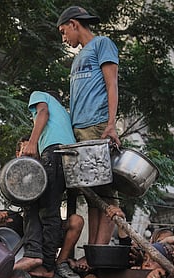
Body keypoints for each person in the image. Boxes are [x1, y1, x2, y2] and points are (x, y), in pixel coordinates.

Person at [57, 5, 120, 246]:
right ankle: (92, 250)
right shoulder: (78, 58)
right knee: (92, 194)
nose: (64, 38)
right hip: (79, 129)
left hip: (97, 125)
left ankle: (99, 250)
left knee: (105, 192)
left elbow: (111, 84)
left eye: (64, 32)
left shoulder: (102, 44)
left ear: (74, 24)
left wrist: (111, 124)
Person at [16, 91, 80, 278]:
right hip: (68, 158)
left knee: (48, 212)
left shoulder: (39, 96)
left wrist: (33, 143)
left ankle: (46, 266)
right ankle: (38, 256)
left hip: (55, 153)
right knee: (43, 206)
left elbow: (43, 112)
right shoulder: (64, 115)